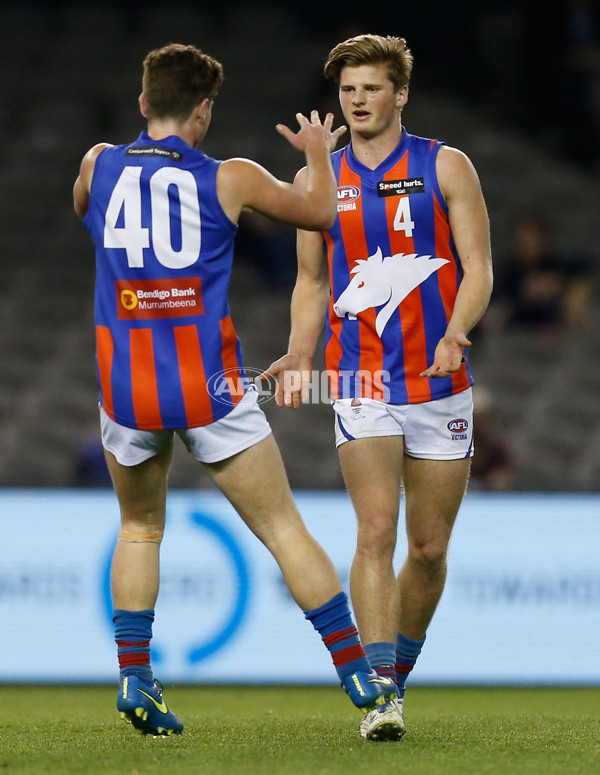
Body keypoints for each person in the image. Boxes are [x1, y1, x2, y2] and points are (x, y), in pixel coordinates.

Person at [73, 43, 396, 738]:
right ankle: (361, 675)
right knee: (282, 527)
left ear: (142, 102)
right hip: (207, 386)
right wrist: (316, 151)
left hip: (127, 387)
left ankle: (135, 676)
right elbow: (319, 214)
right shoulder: (231, 177)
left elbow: (83, 209)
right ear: (204, 109)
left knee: (139, 527)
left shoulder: (99, 164)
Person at [262, 34, 493, 740]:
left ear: (399, 94)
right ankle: (381, 693)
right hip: (360, 377)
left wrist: (456, 329)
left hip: (439, 382)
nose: (357, 100)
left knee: (426, 549)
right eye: (348, 89)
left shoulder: (445, 165)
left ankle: (398, 672)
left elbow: (477, 266)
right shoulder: (318, 180)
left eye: (370, 87)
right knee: (374, 529)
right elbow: (311, 281)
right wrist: (301, 350)